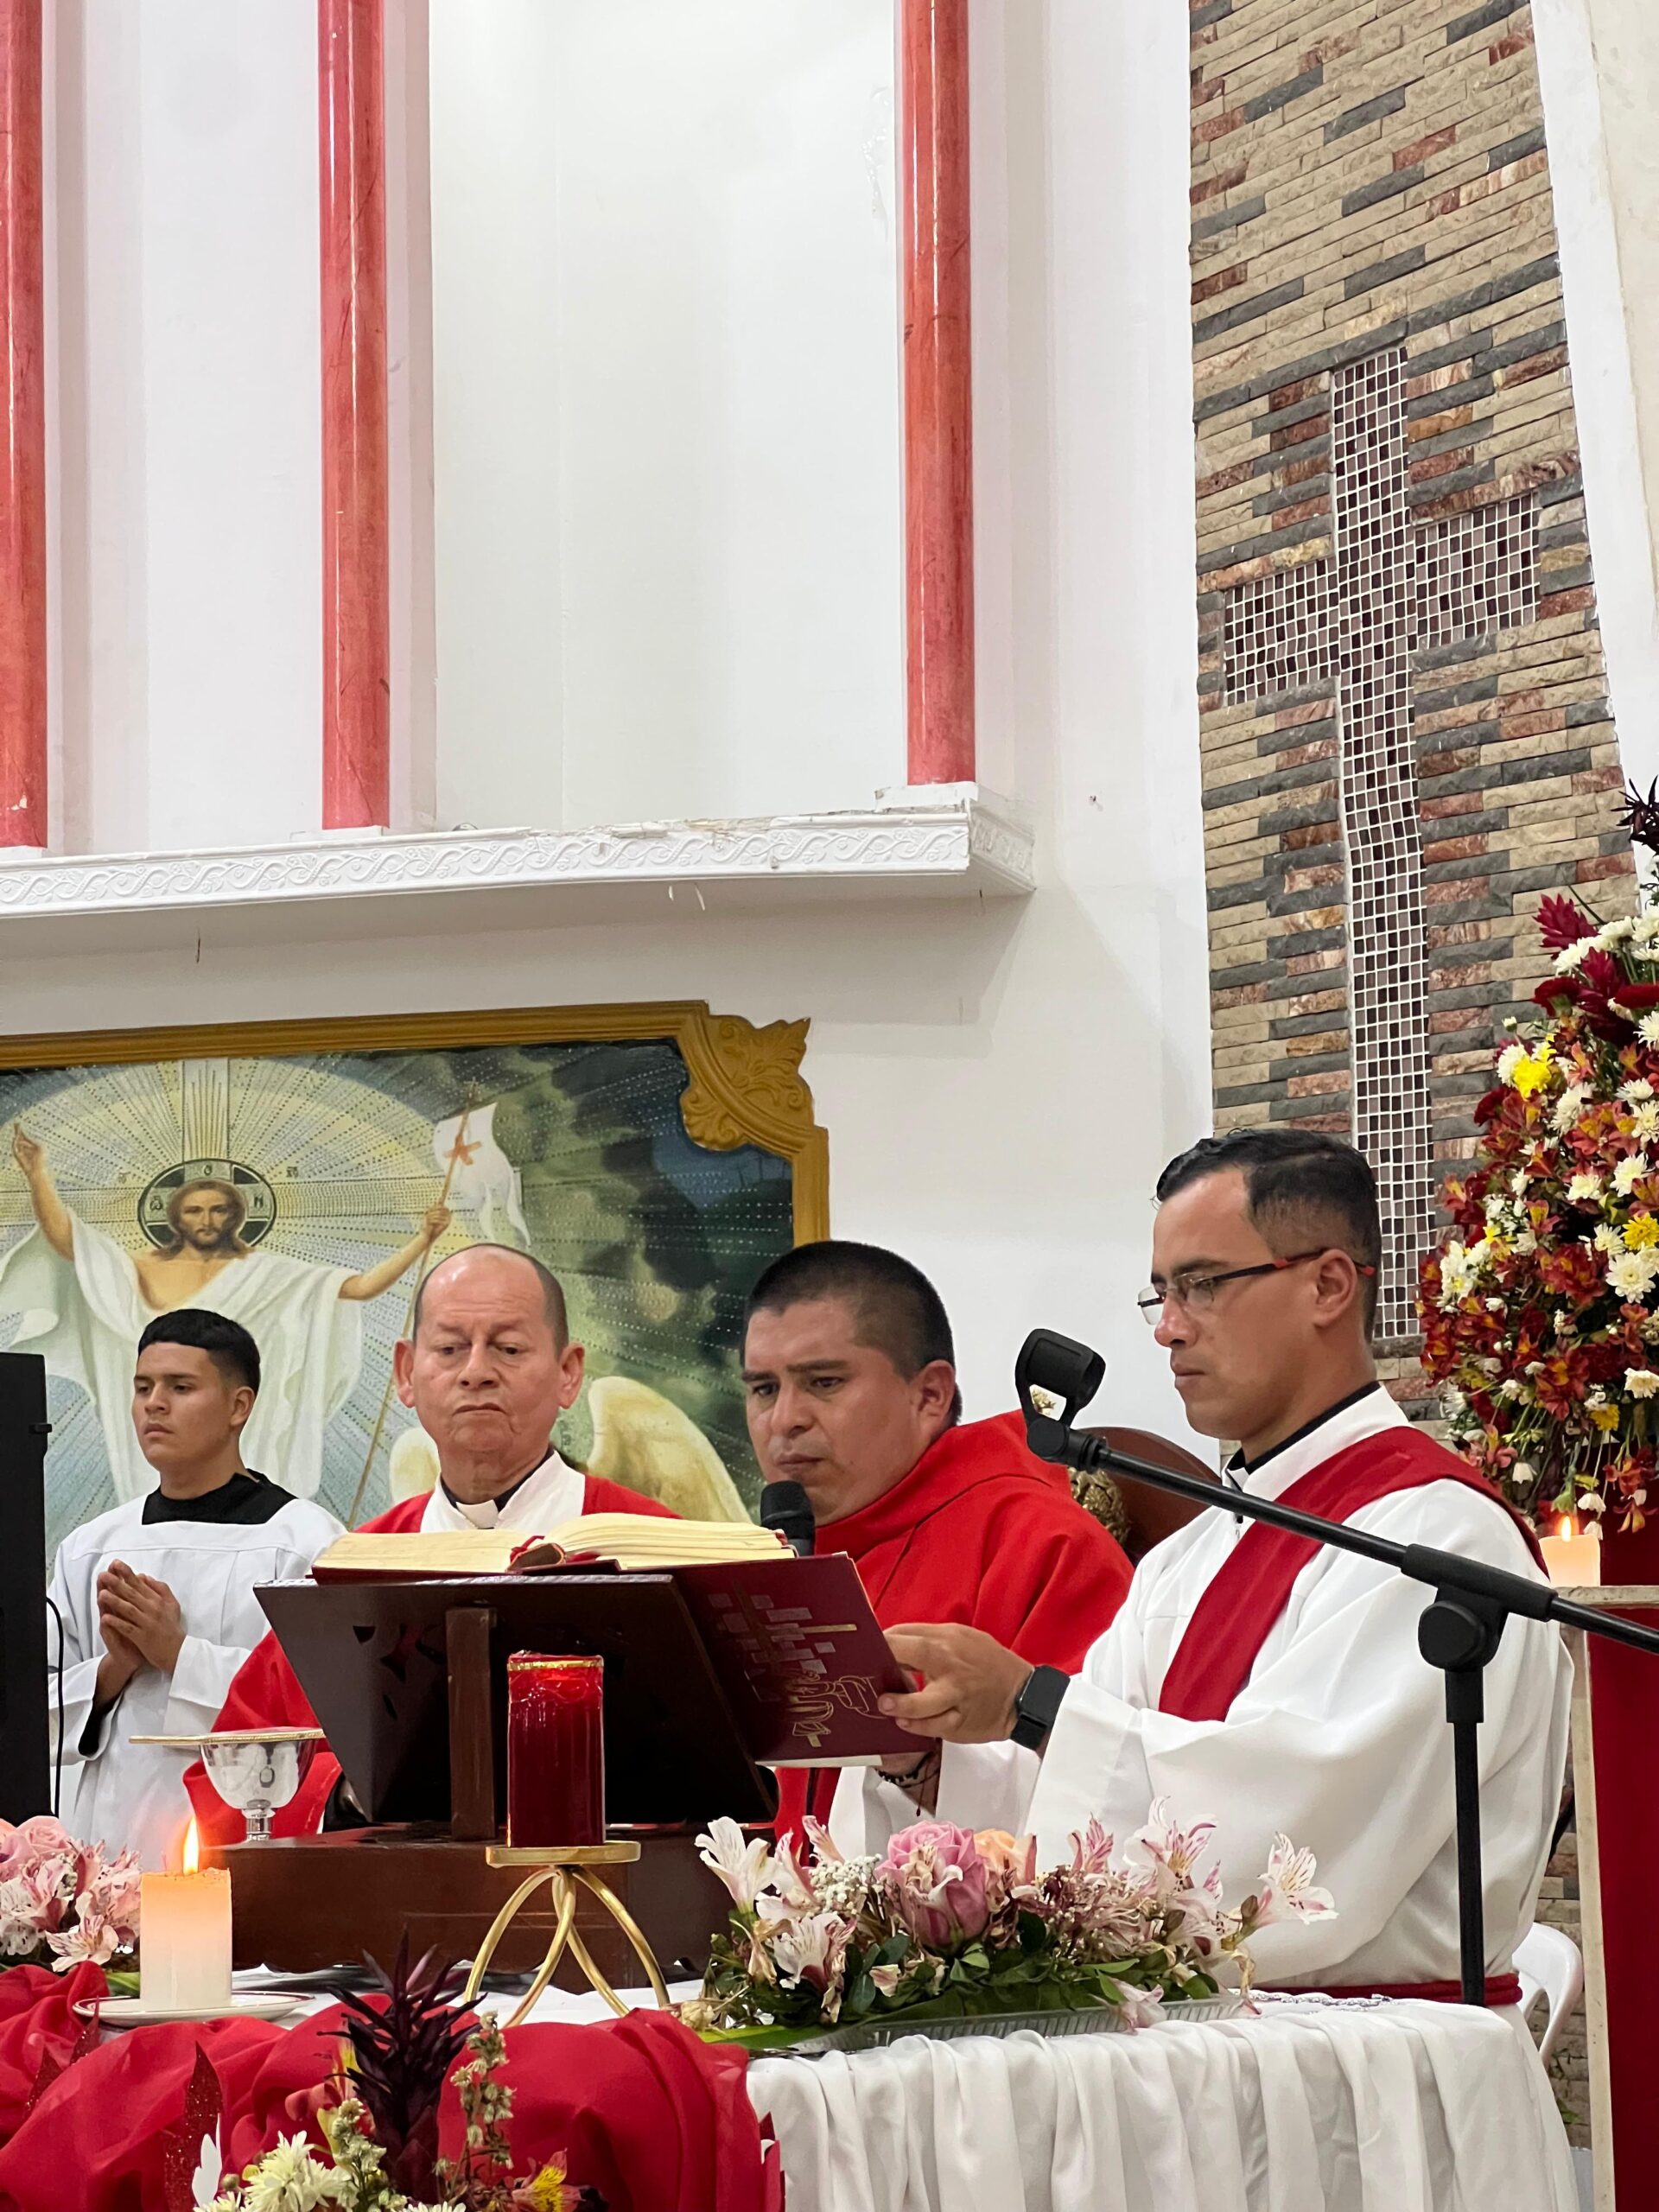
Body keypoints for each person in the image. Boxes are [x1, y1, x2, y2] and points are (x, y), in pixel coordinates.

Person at [847, 1132, 1570, 1998]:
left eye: (1201, 1284)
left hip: (1373, 2067)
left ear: (1328, 1285)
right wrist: (924, 1754)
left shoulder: (1436, 1536)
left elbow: (1297, 1838)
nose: (1167, 1326)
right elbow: (1076, 1791)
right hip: (1214, 2056)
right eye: (1160, 1291)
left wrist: (1030, 1700)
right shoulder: (1192, 1554)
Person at [187, 1243, 674, 1841]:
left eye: (509, 1348)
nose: (476, 1371)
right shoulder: (350, 1574)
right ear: (405, 1373)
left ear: (569, 1372)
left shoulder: (659, 1549)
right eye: (448, 1348)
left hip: (612, 1912)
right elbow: (230, 1780)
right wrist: (349, 1793)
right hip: (399, 1922)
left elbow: (753, 1791)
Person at [741, 1241, 1132, 1839]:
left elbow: (1091, 1799)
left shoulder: (1042, 1546)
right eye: (763, 1389)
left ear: (929, 1396)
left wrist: (922, 1765)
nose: (784, 1419)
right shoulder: (763, 1564)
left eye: (823, 1382)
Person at [4, 1125, 452, 1501]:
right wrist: (39, 1173)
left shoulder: (268, 1273)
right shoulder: (141, 1267)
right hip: (164, 1447)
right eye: (194, 1210)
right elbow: (71, 1244)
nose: (207, 1219)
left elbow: (360, 1287)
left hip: (243, 1434)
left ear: (236, 1216)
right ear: (176, 1217)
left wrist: (422, 1240)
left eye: (218, 1210)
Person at [47, 1309, 342, 1870]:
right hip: (105, 1849)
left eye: (180, 1387)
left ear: (239, 1406)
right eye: (143, 1387)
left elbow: (325, 1714)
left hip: (243, 1845)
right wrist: (114, 1670)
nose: (154, 1403)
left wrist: (180, 1655)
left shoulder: (305, 1542)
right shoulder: (90, 1547)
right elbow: (31, 1714)